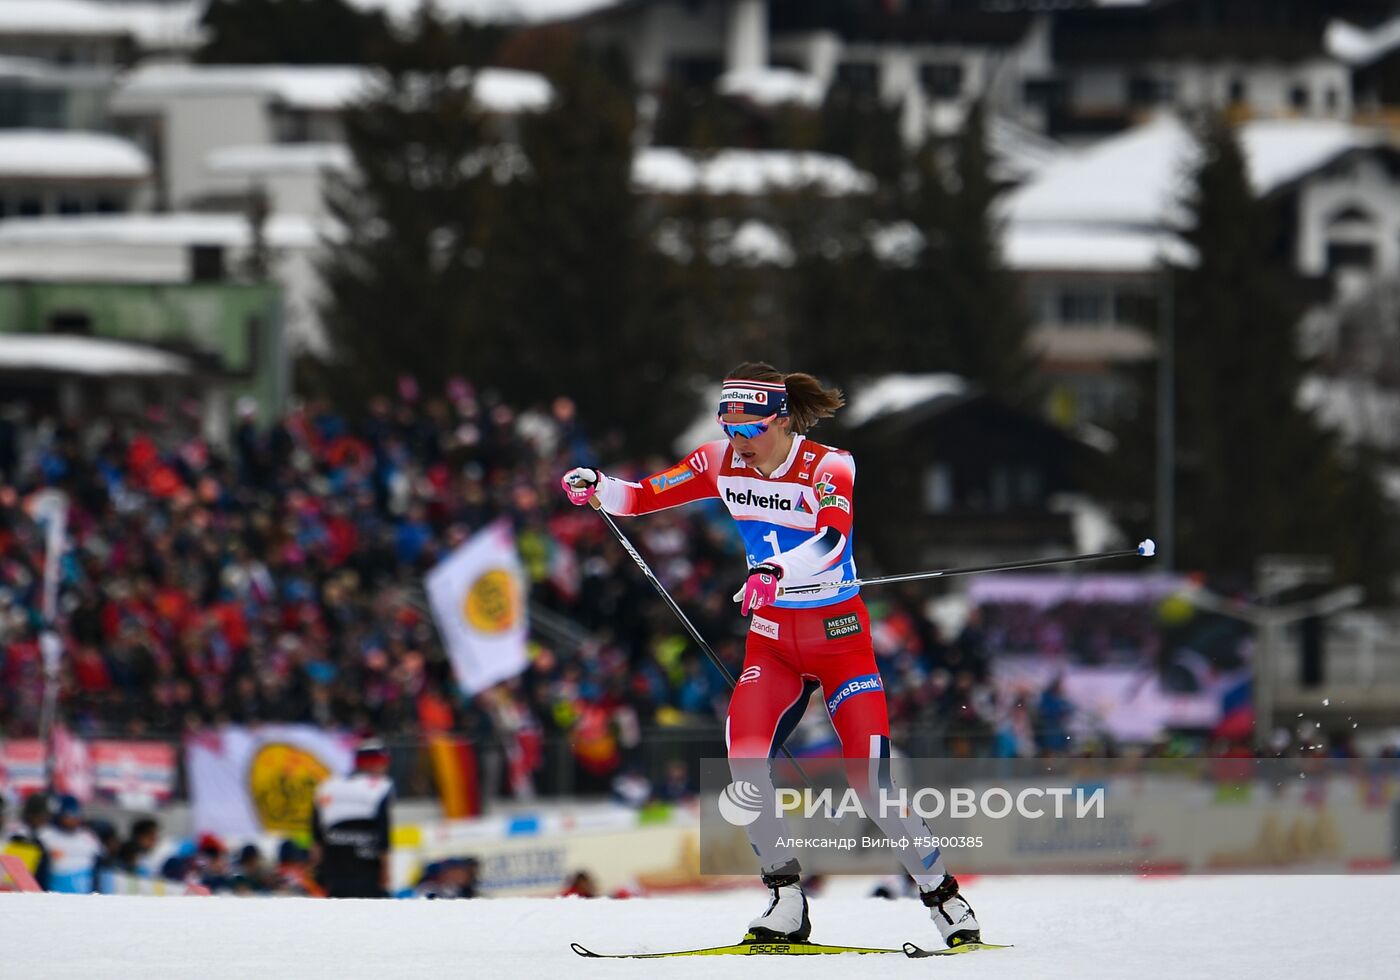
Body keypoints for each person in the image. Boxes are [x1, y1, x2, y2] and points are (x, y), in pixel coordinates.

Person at [561, 362, 982, 949]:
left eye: (752, 429)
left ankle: (944, 898)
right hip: (773, 639)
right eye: (729, 428)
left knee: (871, 783)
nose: (740, 443)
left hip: (839, 638)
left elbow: (833, 540)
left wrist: (773, 568)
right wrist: (597, 487)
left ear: (781, 419)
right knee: (746, 758)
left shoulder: (830, 465)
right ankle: (786, 898)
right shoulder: (718, 461)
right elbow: (639, 497)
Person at [311, 738, 393, 898]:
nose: (384, 767)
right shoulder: (381, 787)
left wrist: (317, 870)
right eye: (382, 762)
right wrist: (386, 872)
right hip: (367, 871)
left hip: (333, 872)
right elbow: (384, 837)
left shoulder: (327, 785)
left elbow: (316, 838)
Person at [38, 796, 103, 894]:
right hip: (55, 895)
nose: (73, 819)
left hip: (84, 896)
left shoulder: (88, 837)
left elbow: (99, 867)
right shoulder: (46, 836)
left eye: (76, 815)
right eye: (69, 815)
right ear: (60, 815)